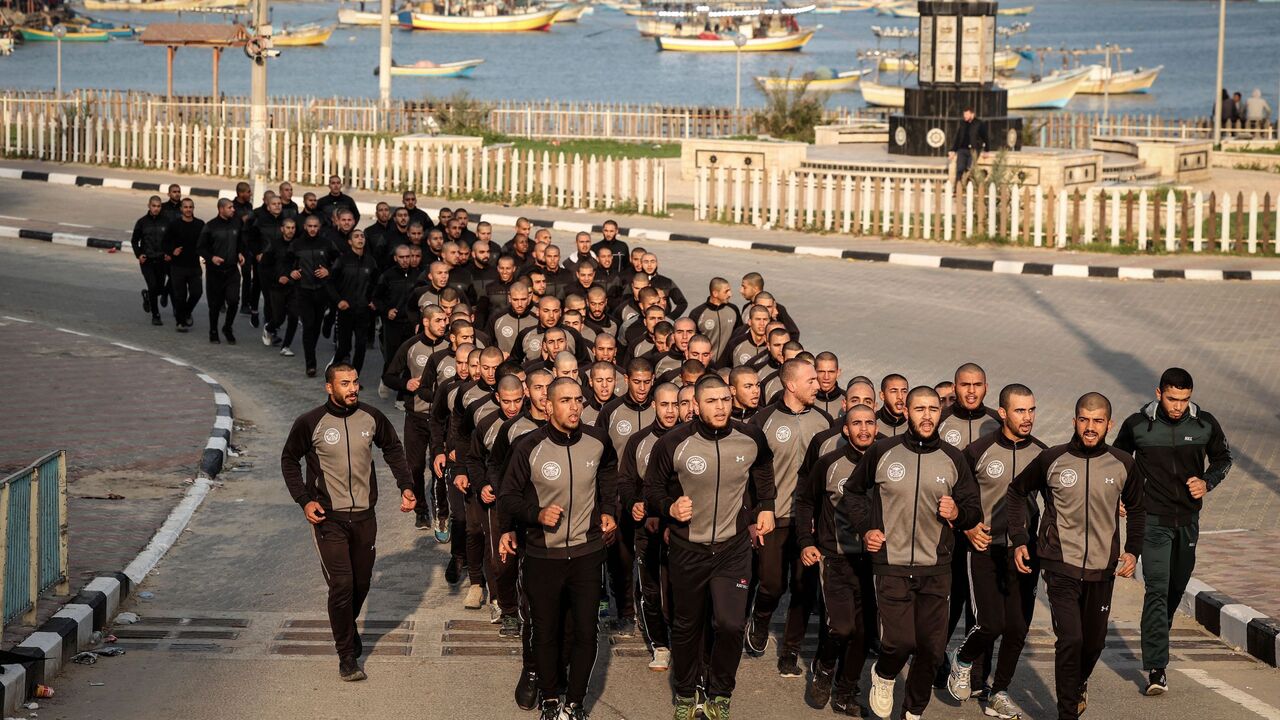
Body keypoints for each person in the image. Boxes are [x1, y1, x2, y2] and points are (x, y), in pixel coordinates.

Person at [844, 385, 981, 720]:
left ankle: (913, 711)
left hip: (936, 566)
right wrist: (867, 530)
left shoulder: (953, 458)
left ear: (939, 413)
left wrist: (958, 514)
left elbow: (973, 509)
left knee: (933, 650)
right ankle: (885, 674)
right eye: (920, 409)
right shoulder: (883, 452)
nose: (927, 416)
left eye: (933, 409)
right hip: (890, 564)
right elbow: (853, 492)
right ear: (906, 411)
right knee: (899, 642)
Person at [644, 375, 776, 720]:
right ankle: (687, 692)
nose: (720, 407)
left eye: (725, 400)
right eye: (711, 401)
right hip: (688, 549)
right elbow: (652, 490)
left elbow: (763, 469)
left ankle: (720, 692)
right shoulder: (673, 443)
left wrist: (766, 506)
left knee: (731, 624)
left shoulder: (750, 437)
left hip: (733, 549)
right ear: (696, 406)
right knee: (687, 625)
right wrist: (669, 508)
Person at [1007, 392, 1145, 720]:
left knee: (1093, 644)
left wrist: (1133, 551)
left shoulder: (1124, 463)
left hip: (1101, 568)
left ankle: (1079, 682)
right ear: (1074, 421)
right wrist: (1019, 539)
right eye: (1084, 419)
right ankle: (1067, 713)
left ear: (1109, 424)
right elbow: (1016, 491)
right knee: (1070, 638)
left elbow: (1138, 508)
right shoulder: (1052, 459)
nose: (1090, 427)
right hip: (1059, 565)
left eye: (1098, 421)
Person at [280, 363, 415, 682]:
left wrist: (406, 486)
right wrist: (304, 499)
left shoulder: (371, 417)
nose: (353, 388)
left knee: (361, 583)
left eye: (355, 382)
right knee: (342, 584)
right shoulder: (310, 422)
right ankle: (347, 657)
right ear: (330, 387)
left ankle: (346, 626)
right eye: (345, 383)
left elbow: (393, 449)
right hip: (329, 518)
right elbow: (289, 459)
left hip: (365, 516)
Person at [498, 377, 618, 720]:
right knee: (546, 631)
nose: (574, 407)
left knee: (584, 631)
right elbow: (508, 497)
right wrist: (536, 514)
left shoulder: (597, 441)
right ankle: (550, 701)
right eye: (565, 401)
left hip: (586, 551)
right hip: (542, 554)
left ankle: (575, 703)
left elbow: (609, 472)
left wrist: (609, 509)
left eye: (578, 400)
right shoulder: (527, 446)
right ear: (548, 406)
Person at [1114, 368, 1231, 697]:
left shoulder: (1205, 423)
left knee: (1175, 588)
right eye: (1171, 399)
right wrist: (1120, 497)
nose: (1178, 406)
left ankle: (1156, 638)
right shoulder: (1138, 424)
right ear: (1158, 393)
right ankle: (1156, 667)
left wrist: (1207, 481)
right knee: (1157, 588)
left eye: (1184, 400)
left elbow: (1223, 457)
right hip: (1152, 520)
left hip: (1188, 522)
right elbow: (1116, 462)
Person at [944, 383, 1047, 720]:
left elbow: (1060, 500)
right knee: (990, 623)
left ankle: (998, 692)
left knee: (1017, 627)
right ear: (1002, 412)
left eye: (1031, 410)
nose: (1027, 417)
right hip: (984, 547)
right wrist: (968, 527)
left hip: (1024, 551)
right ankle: (962, 659)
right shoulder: (977, 451)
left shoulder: (1043, 454)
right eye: (1020, 410)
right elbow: (958, 498)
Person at [746, 360, 833, 676]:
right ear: (791, 385)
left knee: (803, 588)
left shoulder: (824, 422)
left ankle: (790, 653)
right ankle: (760, 616)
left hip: (807, 522)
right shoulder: (762, 421)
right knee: (771, 584)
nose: (818, 384)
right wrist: (753, 519)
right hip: (773, 518)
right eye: (811, 380)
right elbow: (748, 475)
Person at [796, 403, 879, 713]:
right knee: (841, 627)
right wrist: (806, 541)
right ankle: (825, 669)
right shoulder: (829, 464)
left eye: (869, 422)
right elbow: (804, 502)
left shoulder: (886, 462)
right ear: (845, 429)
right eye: (856, 423)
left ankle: (846, 691)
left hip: (875, 563)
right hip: (835, 557)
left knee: (863, 631)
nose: (864, 429)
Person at [618, 382, 680, 672]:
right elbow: (627, 481)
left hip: (680, 527)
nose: (670, 411)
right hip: (647, 528)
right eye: (664, 405)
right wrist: (633, 503)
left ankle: (682, 641)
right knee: (651, 590)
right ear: (654, 405)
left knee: (679, 590)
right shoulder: (638, 441)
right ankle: (660, 645)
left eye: (675, 405)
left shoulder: (688, 439)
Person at [289, 215, 340, 376]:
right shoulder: (296, 244)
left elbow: (339, 261)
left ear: (319, 227)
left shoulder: (326, 244)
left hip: (321, 290)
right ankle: (310, 363)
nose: (312, 229)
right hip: (303, 290)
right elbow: (285, 262)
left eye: (315, 226)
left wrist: (328, 271)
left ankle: (312, 350)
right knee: (308, 326)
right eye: (309, 226)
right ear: (305, 227)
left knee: (316, 326)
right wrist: (291, 272)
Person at [328, 229, 379, 373]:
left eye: (362, 236)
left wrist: (373, 300)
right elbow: (330, 283)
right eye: (356, 236)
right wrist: (338, 301)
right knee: (344, 347)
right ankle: (334, 367)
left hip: (363, 310)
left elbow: (377, 284)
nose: (360, 239)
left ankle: (354, 376)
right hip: (346, 309)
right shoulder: (342, 260)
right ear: (350, 241)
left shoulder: (371, 261)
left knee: (361, 345)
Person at [197, 198, 244, 344]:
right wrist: (211, 258)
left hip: (232, 270)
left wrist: (241, 253)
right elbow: (200, 247)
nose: (233, 210)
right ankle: (213, 330)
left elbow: (241, 242)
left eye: (233, 207)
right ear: (221, 209)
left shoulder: (237, 223)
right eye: (230, 207)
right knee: (215, 304)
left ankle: (227, 328)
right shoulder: (210, 226)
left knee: (234, 301)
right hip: (215, 272)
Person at [161, 197, 203, 333]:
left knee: (197, 292)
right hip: (178, 266)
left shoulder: (200, 224)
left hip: (194, 266)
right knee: (180, 295)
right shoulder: (174, 225)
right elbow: (165, 242)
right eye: (185, 207)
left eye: (190, 207)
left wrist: (208, 255)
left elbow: (207, 242)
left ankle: (186, 312)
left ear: (193, 209)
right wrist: (172, 251)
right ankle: (180, 322)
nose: (188, 210)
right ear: (181, 209)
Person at [132, 196, 170, 326]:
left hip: (161, 260)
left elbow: (172, 239)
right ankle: (156, 315)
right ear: (149, 206)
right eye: (154, 206)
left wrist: (168, 254)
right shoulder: (142, 222)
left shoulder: (166, 222)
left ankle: (147, 295)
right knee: (153, 286)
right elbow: (134, 241)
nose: (156, 209)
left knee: (159, 288)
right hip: (147, 260)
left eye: (159, 206)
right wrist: (139, 255)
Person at [687, 277, 741, 362]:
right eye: (726, 291)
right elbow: (691, 341)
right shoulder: (697, 313)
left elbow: (738, 336)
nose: (730, 294)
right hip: (705, 364)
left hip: (728, 366)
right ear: (715, 293)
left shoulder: (733, 310)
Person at [949, 106, 988, 185]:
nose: (965, 116)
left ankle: (968, 187)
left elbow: (985, 137)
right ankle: (957, 188)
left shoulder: (979, 123)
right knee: (959, 169)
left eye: (967, 114)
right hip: (962, 150)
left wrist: (986, 150)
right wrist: (953, 150)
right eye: (964, 115)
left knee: (969, 169)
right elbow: (958, 137)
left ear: (972, 114)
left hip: (973, 150)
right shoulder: (963, 123)